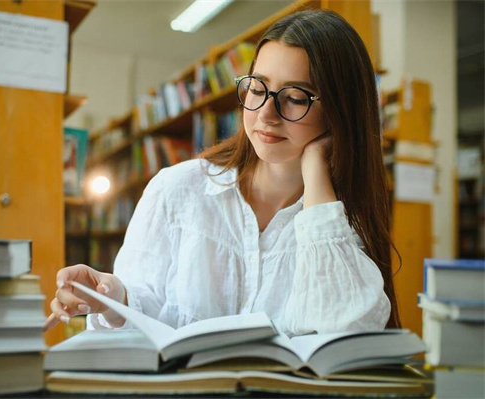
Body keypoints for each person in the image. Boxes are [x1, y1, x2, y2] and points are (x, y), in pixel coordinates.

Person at [44, 9, 401, 335]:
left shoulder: (340, 225)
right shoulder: (177, 188)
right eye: (257, 88)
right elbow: (146, 306)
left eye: (294, 97)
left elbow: (350, 335)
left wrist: (318, 178)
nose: (265, 114)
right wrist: (110, 296)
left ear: (341, 109)